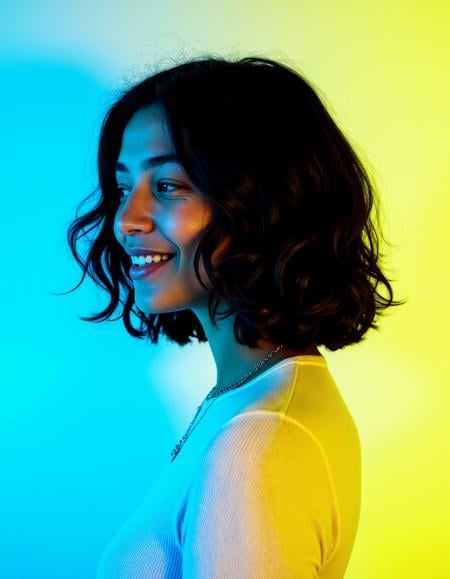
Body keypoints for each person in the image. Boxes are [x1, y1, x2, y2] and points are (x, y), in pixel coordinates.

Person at [63, 54, 405, 578]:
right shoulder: (264, 400)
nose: (126, 220)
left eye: (169, 186)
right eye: (124, 186)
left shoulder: (256, 441)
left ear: (262, 200)